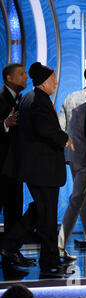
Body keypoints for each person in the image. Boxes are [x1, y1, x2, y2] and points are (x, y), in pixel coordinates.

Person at [0, 62, 74, 272]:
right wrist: (64, 138)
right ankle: (46, 260)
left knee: (41, 211)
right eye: (53, 79)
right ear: (44, 82)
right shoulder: (38, 100)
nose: (56, 82)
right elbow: (44, 129)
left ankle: (15, 245)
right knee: (47, 215)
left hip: (38, 168)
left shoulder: (30, 98)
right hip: (42, 168)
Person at [57, 64, 86, 260]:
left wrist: (67, 154)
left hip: (73, 156)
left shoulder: (69, 97)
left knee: (84, 201)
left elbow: (61, 127)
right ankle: (58, 244)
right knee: (78, 199)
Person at [0, 63, 27, 235]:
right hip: (1, 166)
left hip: (15, 167)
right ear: (9, 78)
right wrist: (5, 124)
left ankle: (10, 250)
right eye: (22, 74)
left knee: (15, 210)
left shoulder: (22, 99)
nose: (26, 77)